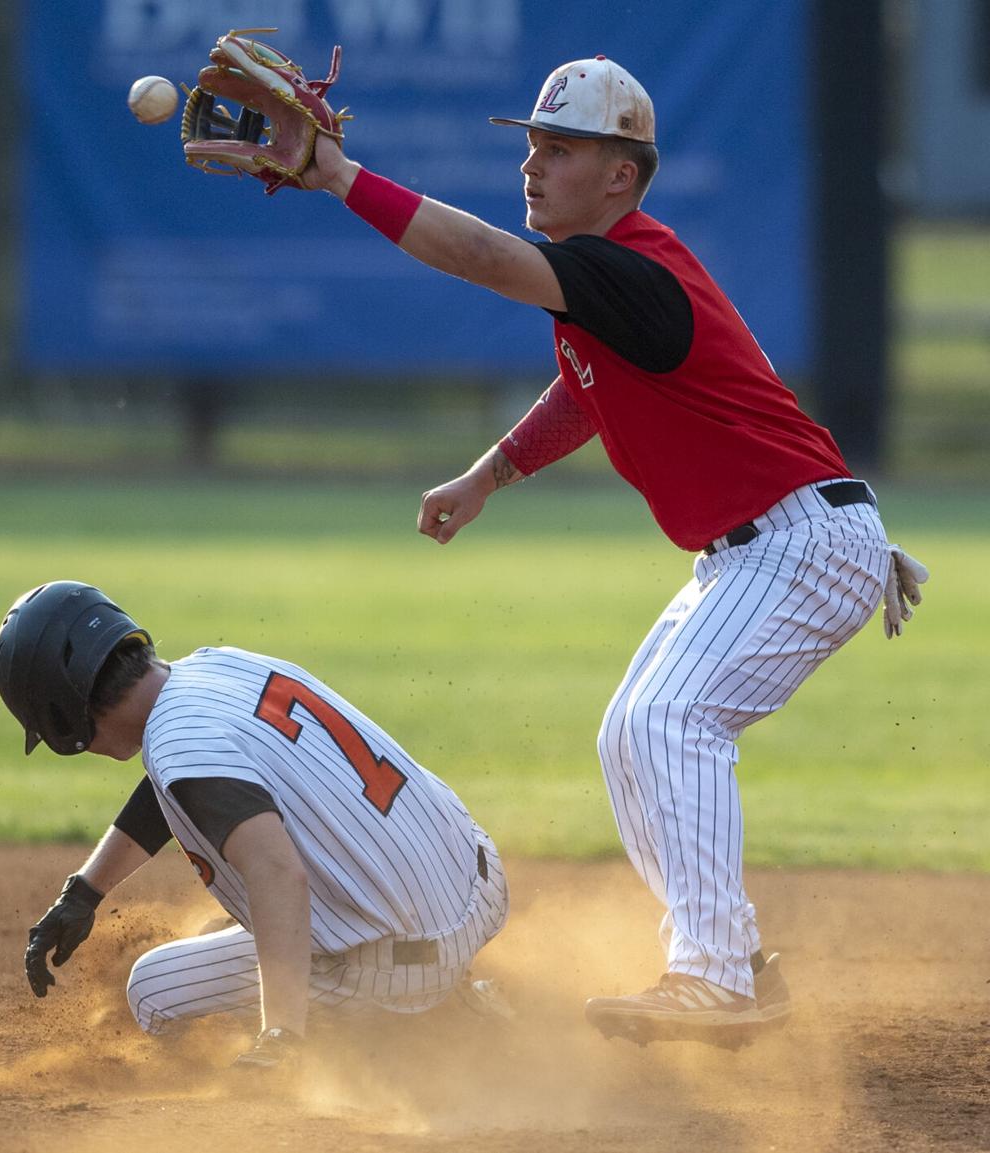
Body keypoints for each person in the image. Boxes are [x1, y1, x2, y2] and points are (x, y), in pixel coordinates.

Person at [291, 56, 927, 1045]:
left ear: (620, 176)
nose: (533, 166)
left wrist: (340, 176)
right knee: (630, 734)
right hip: (769, 542)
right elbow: (587, 393)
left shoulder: (626, 265)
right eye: (533, 146)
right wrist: (487, 476)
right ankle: (737, 959)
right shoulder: (609, 289)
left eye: (561, 148)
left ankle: (714, 975)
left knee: (672, 720)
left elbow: (482, 259)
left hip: (800, 539)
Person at [0, 581, 510, 1070]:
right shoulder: (217, 669)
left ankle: (417, 1032)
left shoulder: (179, 744)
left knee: (153, 991)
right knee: (218, 931)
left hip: (407, 960)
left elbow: (279, 874)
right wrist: (83, 893)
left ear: (64, 718)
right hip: (475, 881)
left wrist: (281, 1036)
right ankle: (445, 989)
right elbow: (180, 785)